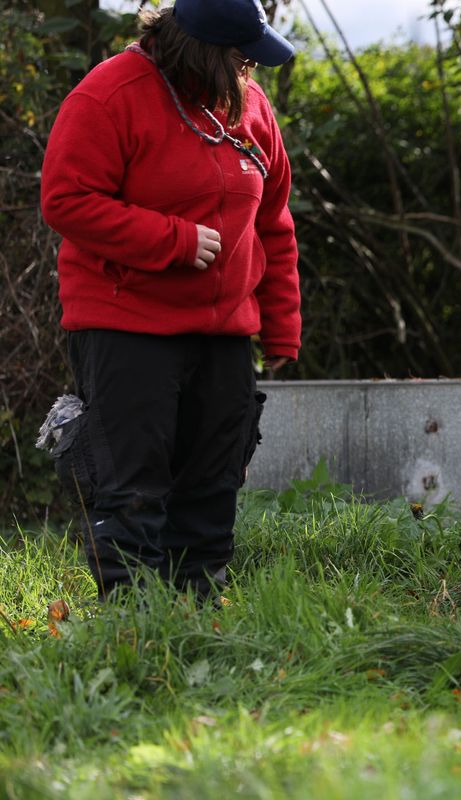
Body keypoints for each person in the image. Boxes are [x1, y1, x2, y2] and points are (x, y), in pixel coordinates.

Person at [40, 0, 301, 603]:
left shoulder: (249, 105)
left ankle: (198, 611)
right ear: (202, 51)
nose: (248, 73)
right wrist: (175, 240)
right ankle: (131, 619)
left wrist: (281, 323)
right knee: (135, 482)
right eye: (239, 59)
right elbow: (67, 199)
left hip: (226, 331)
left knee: (214, 480)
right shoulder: (110, 95)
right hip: (125, 322)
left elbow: (274, 221)